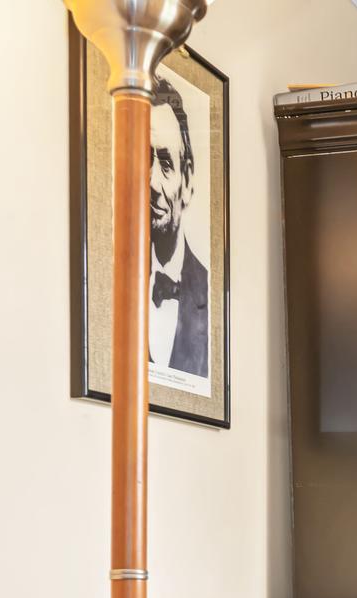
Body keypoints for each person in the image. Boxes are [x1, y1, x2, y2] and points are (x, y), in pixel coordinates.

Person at [148, 76, 208, 379]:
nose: (151, 182)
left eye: (165, 163)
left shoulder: (210, 296)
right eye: (142, 160)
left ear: (186, 180)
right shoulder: (107, 280)